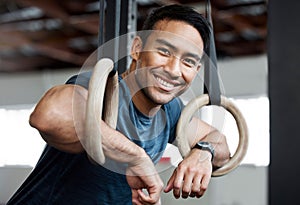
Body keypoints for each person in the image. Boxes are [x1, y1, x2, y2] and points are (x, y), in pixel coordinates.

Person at [7, 4, 230, 205]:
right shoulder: (102, 89)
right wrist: (136, 157)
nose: (173, 70)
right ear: (136, 49)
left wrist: (203, 152)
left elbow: (220, 143)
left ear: (197, 71)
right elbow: (47, 117)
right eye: (164, 51)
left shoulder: (170, 112)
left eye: (188, 62)